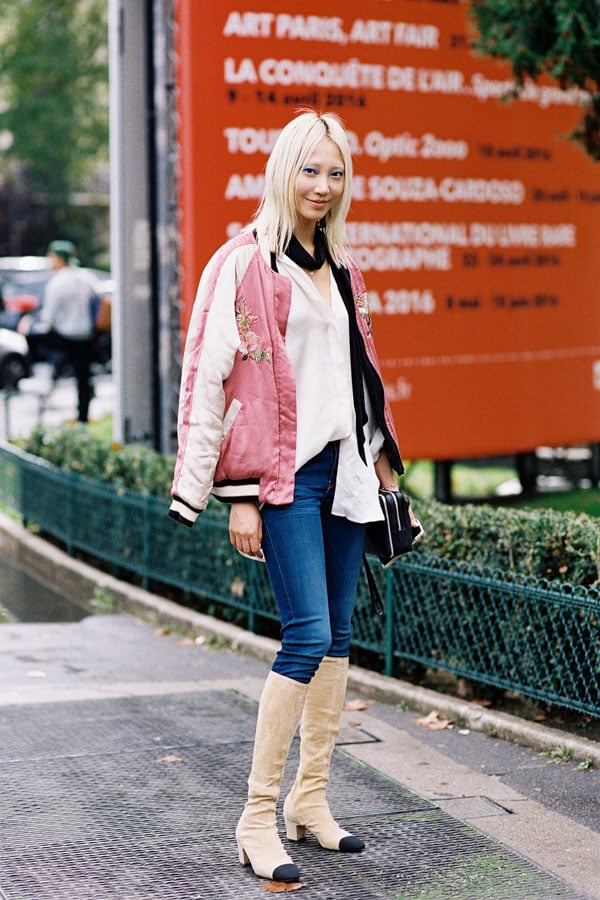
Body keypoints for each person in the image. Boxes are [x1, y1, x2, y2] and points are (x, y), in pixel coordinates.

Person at [169, 110, 418, 884]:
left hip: (344, 473)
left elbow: (354, 377)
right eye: (310, 169)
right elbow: (210, 379)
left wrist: (381, 462)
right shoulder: (243, 263)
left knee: (339, 638)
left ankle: (311, 805)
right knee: (305, 637)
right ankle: (256, 818)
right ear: (282, 170)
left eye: (335, 171)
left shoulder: (342, 267)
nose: (322, 184)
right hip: (282, 479)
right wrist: (234, 493)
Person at [20, 240, 97, 422]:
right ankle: (82, 417)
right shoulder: (87, 278)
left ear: (59, 259)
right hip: (86, 335)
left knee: (30, 335)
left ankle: (40, 374)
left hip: (65, 336)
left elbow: (48, 320)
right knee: (83, 378)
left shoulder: (57, 283)